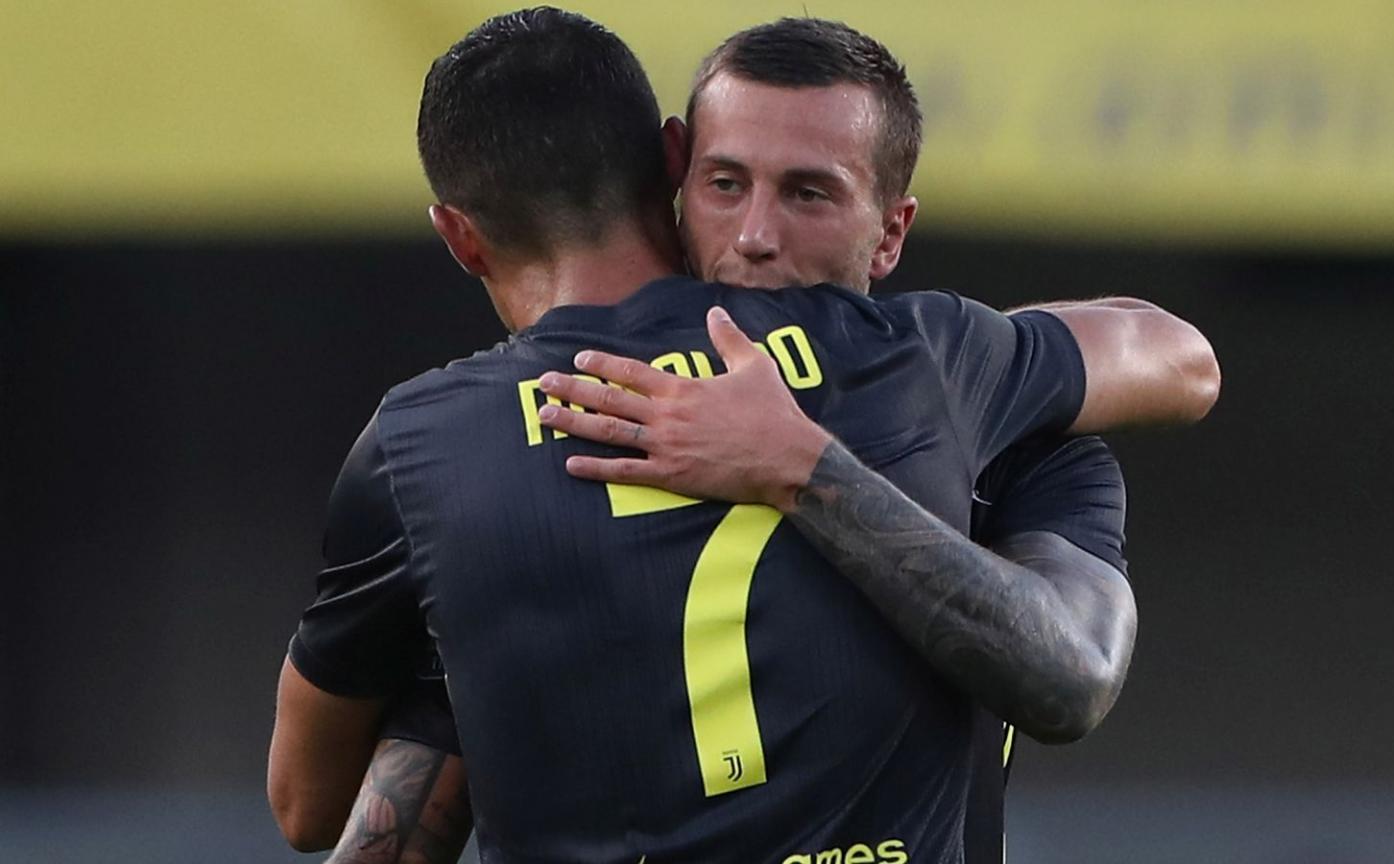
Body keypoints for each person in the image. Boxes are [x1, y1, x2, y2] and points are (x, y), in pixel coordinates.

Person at [266, 10, 1217, 863]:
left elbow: (310, 810)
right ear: (675, 173)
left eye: (808, 194)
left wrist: (802, 459)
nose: (756, 236)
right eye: (728, 184)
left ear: (891, 232)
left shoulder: (433, 446)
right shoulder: (930, 363)